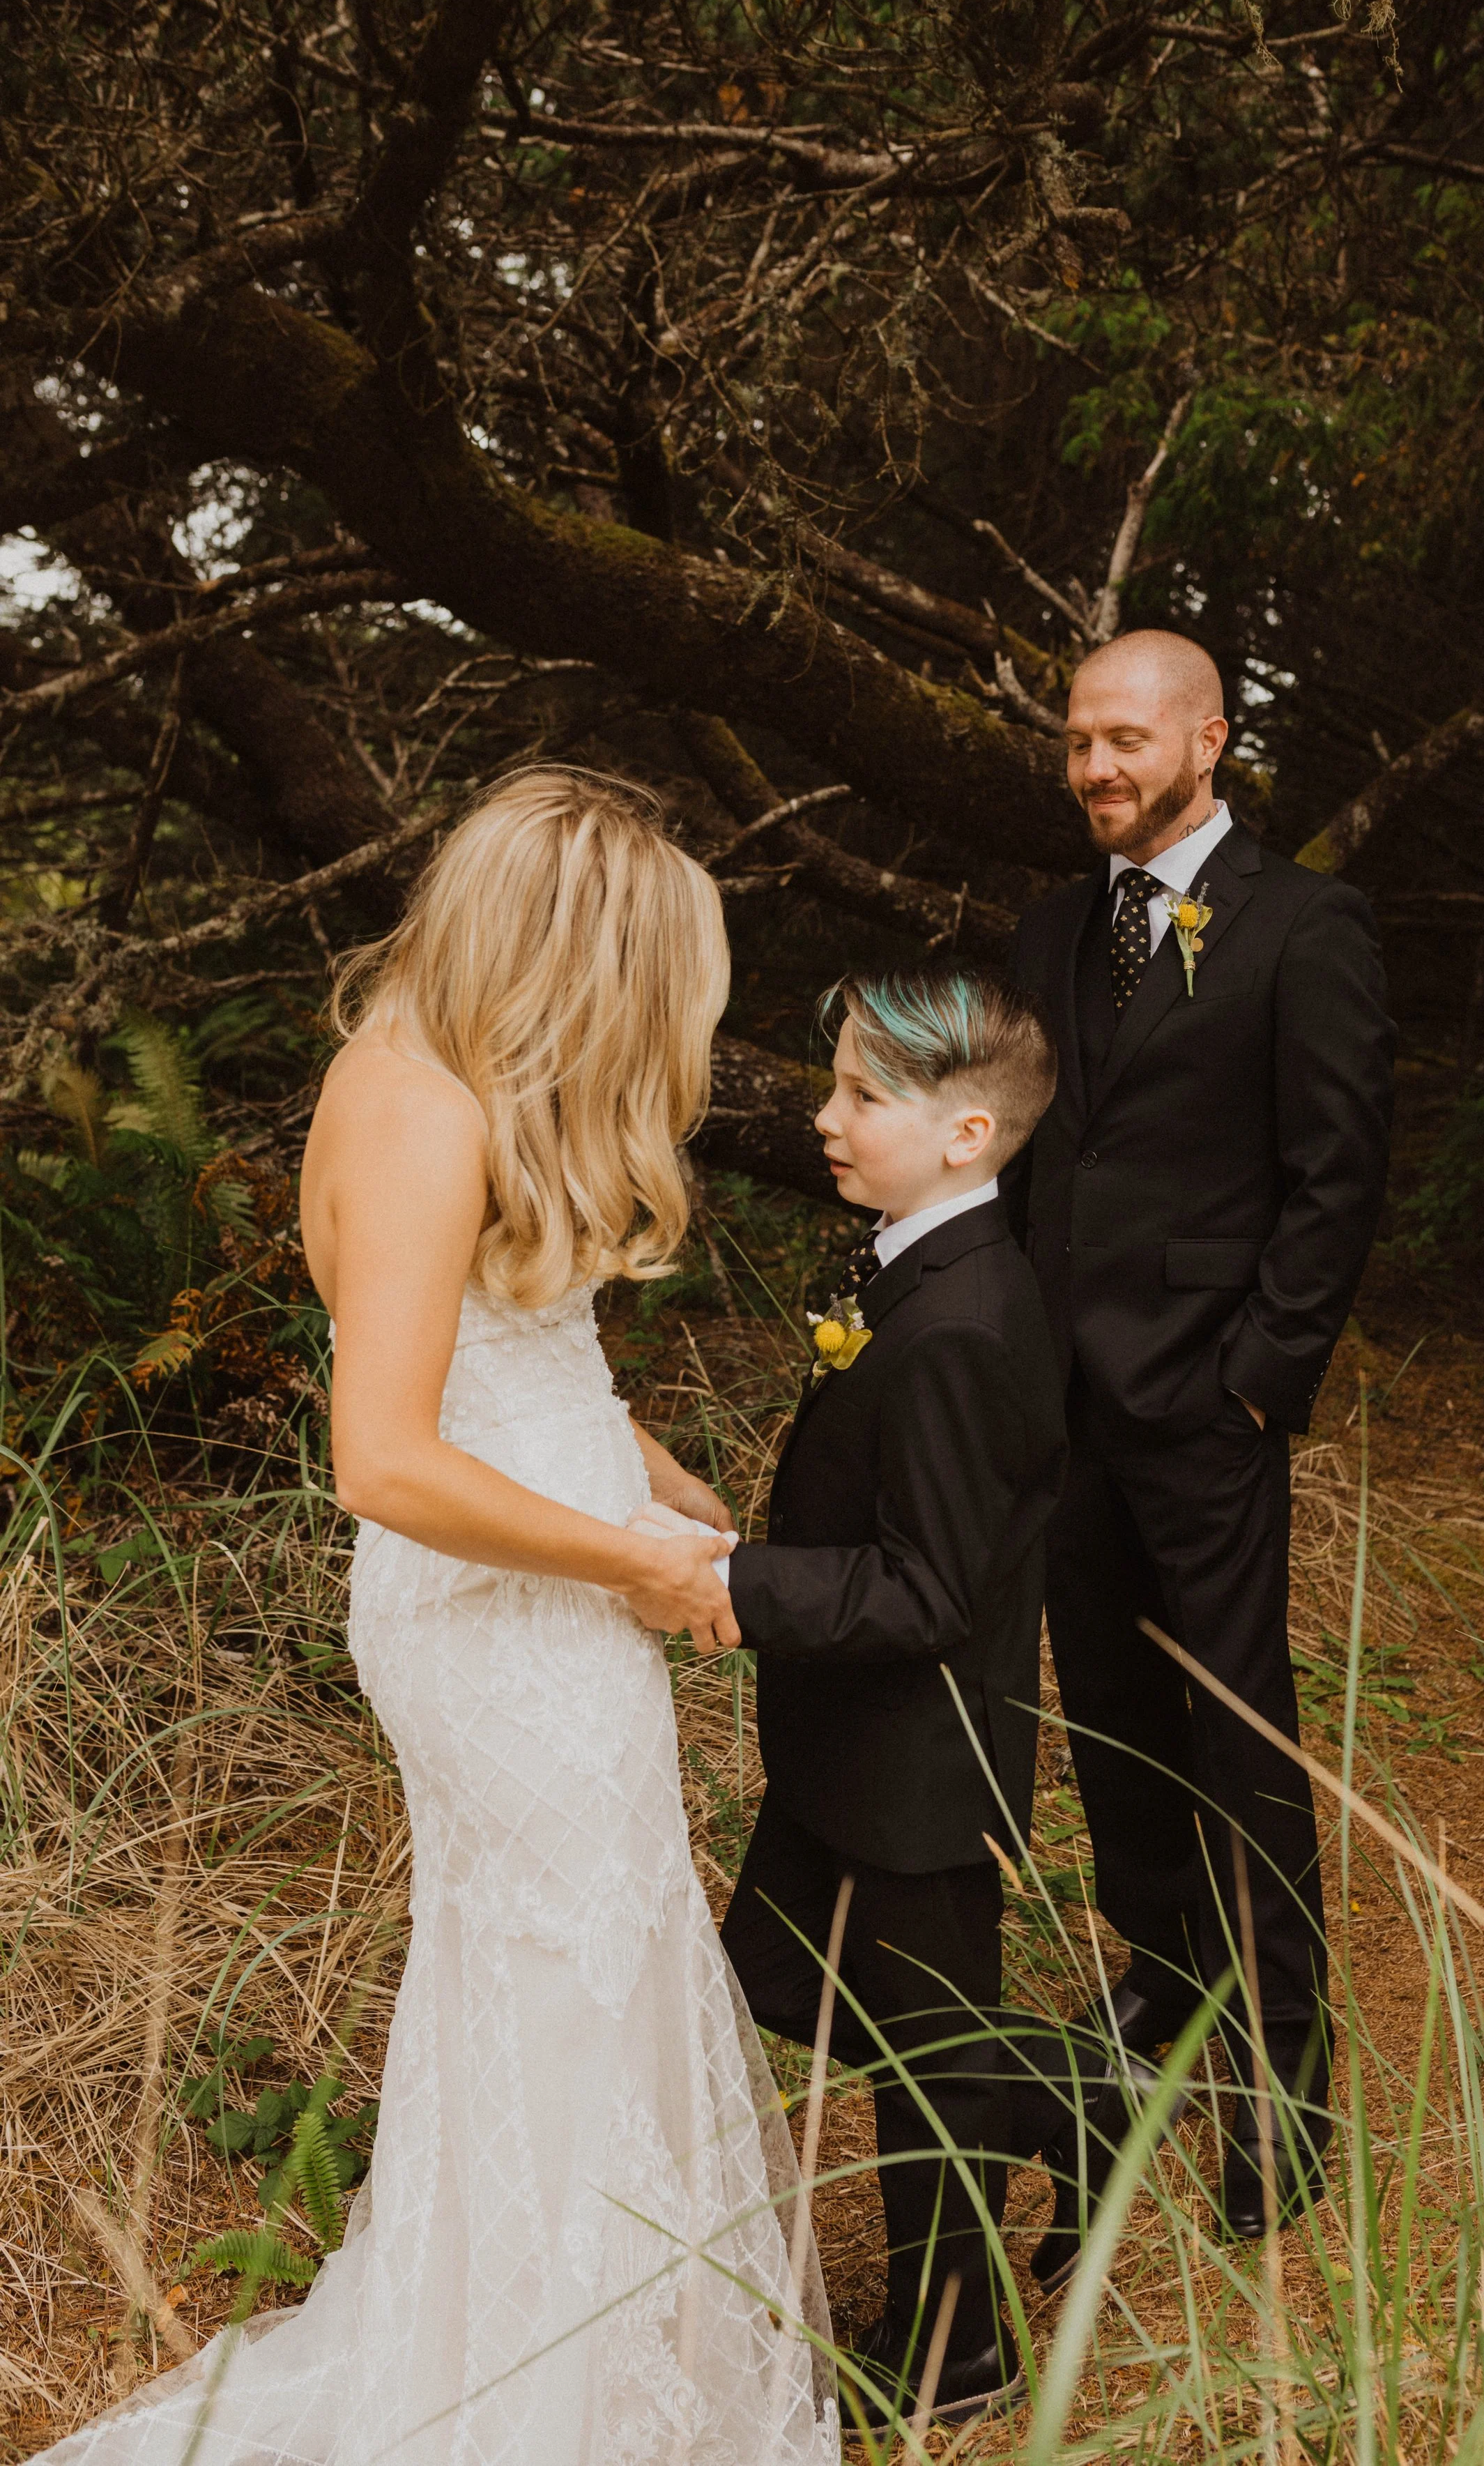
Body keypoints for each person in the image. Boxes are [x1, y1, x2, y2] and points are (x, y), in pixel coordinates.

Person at [40, 768, 839, 2464]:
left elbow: (489, 1350)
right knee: (574, 1969)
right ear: (568, 957)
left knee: (571, 1975)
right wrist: (625, 1562)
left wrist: (644, 1467)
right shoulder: (413, 1108)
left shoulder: (452, 1080)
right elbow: (386, 1456)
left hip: (551, 1582)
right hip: (499, 1626)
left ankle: (591, 2371)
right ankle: (543, 2408)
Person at [1004, 630, 1395, 2240]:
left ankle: (1279, 2090)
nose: (1096, 767)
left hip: (1203, 1407)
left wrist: (1259, 1377)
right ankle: (1160, 1991)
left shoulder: (1305, 926)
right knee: (1106, 1723)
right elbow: (1020, 1150)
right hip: (1059, 1413)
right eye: (1077, 741)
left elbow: (1337, 1171)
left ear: (1207, 739)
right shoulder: (1045, 931)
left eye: (1123, 739)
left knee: (1241, 1740)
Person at [703, 971, 1117, 2435]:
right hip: (850, 1745)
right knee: (776, 1983)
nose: (824, 1117)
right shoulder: (914, 1264)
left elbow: (930, 1594)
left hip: (918, 1761)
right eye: (834, 1086)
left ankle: (956, 2351)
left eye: (861, 1096)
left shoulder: (965, 1321)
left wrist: (734, 1588)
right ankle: (1071, 2100)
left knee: (928, 2081)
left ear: (968, 1132)